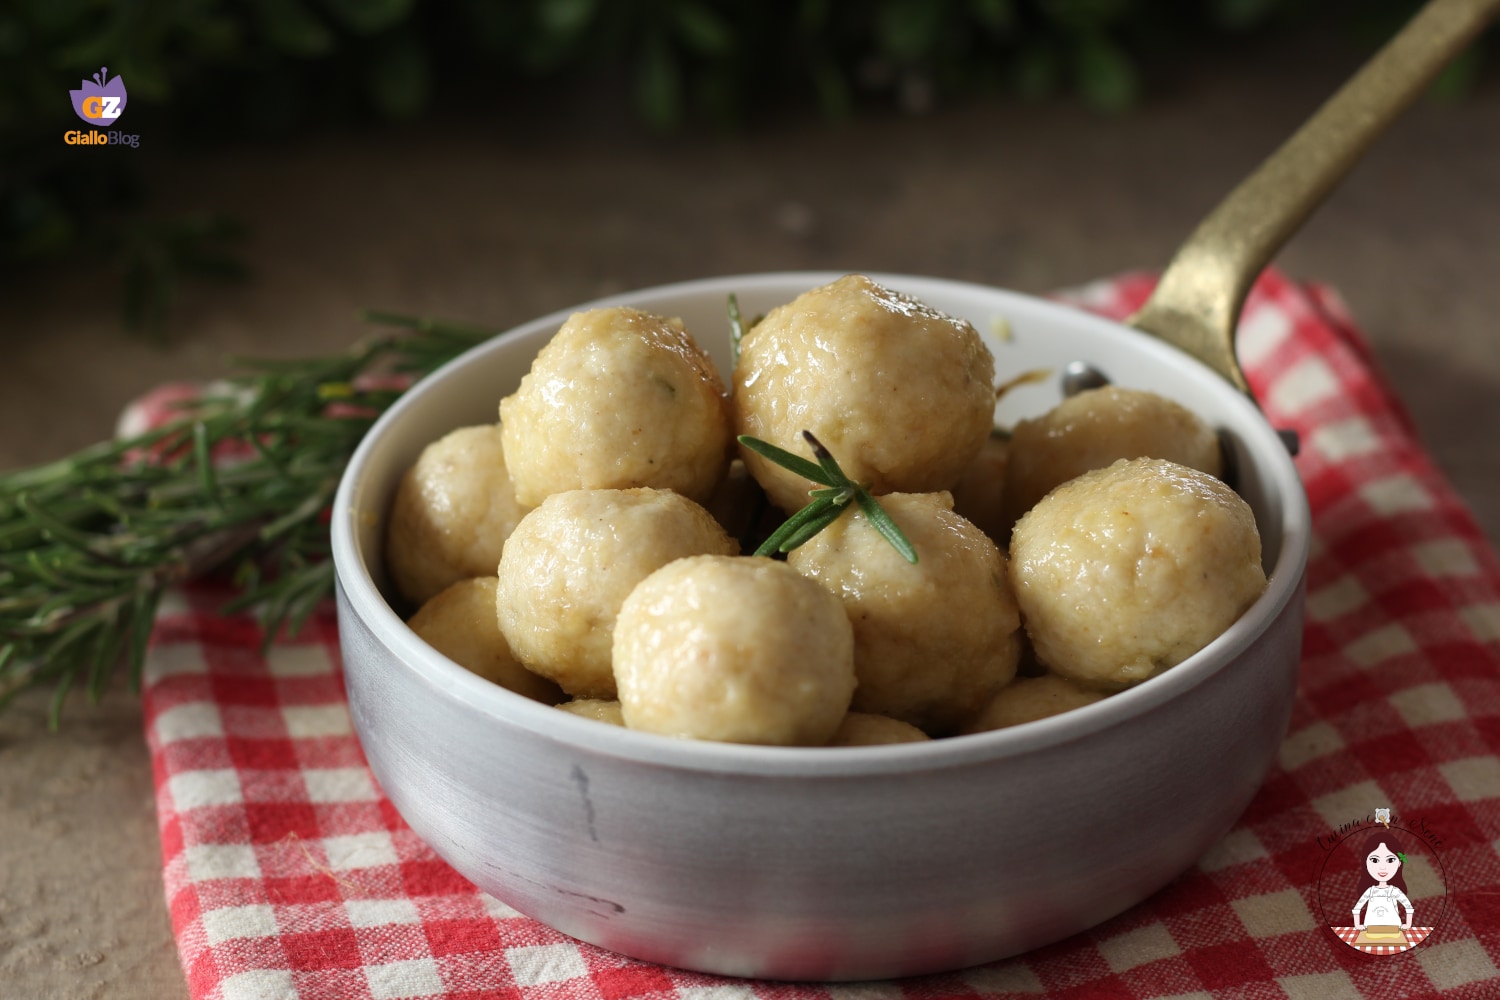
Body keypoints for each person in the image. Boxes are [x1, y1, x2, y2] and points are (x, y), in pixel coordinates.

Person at [1352, 831, 1415, 933]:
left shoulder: (1394, 891)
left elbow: (1408, 906)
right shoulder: (1370, 891)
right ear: (1366, 863)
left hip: (1393, 928)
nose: (1382, 867)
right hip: (1371, 928)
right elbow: (1357, 908)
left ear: (1399, 863)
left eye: (1390, 860)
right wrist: (1357, 925)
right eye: (1374, 860)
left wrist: (1407, 924)